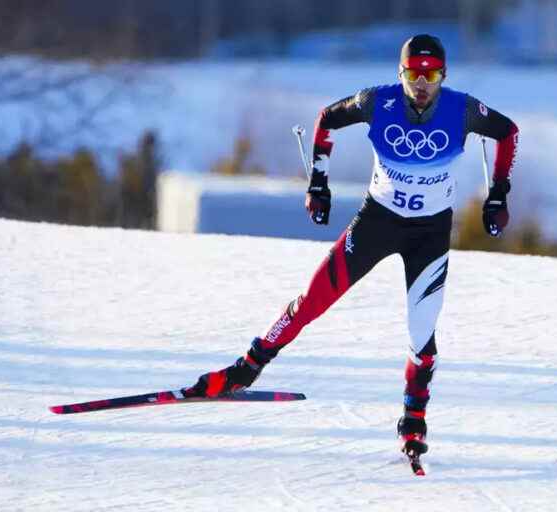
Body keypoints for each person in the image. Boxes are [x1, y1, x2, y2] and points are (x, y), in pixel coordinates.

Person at [183, 34, 519, 458]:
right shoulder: (376, 102)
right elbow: (326, 118)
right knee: (312, 300)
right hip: (378, 221)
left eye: (431, 75)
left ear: (443, 76)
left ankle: (413, 420)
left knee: (422, 336)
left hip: (429, 234)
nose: (421, 83)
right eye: (414, 73)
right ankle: (244, 370)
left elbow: (508, 133)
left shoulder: (463, 109)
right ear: (400, 73)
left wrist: (498, 195)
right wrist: (318, 184)